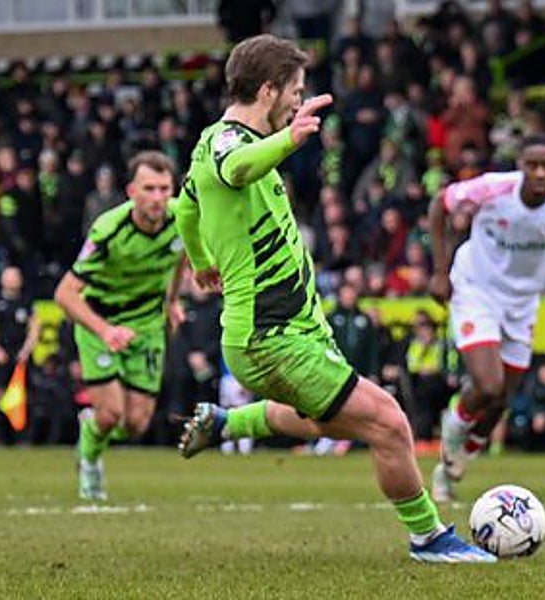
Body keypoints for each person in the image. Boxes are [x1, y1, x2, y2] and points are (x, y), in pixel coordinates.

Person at [172, 34, 491, 563]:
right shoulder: (229, 144)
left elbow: (186, 209)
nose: (299, 101)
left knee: (330, 420)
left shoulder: (208, 141)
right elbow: (237, 169)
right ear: (269, 90)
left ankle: (228, 423)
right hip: (269, 335)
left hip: (288, 329)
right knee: (388, 422)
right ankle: (429, 538)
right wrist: (289, 141)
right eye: (294, 91)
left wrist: (202, 258)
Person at [426, 133, 545, 504]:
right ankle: (452, 434)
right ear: (520, 165)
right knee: (489, 384)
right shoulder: (492, 189)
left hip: (524, 302)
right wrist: (439, 270)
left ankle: (455, 463)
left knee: (501, 400)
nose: (540, 172)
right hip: (476, 288)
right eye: (533, 165)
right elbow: (439, 204)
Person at [55, 151, 188, 501]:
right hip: (101, 322)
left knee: (137, 423)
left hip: (146, 324)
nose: (158, 198)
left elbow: (181, 257)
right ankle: (89, 460)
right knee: (111, 413)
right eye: (149, 189)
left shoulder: (183, 218)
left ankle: (91, 429)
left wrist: (172, 301)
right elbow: (65, 295)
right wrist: (105, 331)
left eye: (164, 189)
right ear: (131, 191)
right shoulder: (107, 230)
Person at [0, 266, 40, 415]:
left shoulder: (27, 300)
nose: (14, 280)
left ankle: (23, 431)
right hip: (2, 353)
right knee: (0, 392)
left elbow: (35, 327)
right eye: (10, 277)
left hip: (22, 353)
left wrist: (27, 350)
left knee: (25, 392)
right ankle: (1, 429)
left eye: (17, 277)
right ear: (2, 280)